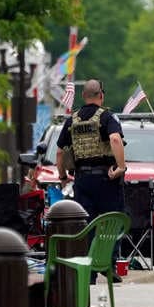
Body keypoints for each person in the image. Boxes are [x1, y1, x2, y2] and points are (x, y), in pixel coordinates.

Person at [56, 79, 126, 282]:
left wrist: (62, 177)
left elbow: (60, 153)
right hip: (106, 178)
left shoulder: (72, 120)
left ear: (83, 96)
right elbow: (115, 139)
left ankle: (90, 273)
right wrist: (121, 167)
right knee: (112, 222)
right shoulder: (107, 116)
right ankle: (109, 265)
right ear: (101, 95)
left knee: (87, 226)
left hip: (82, 180)